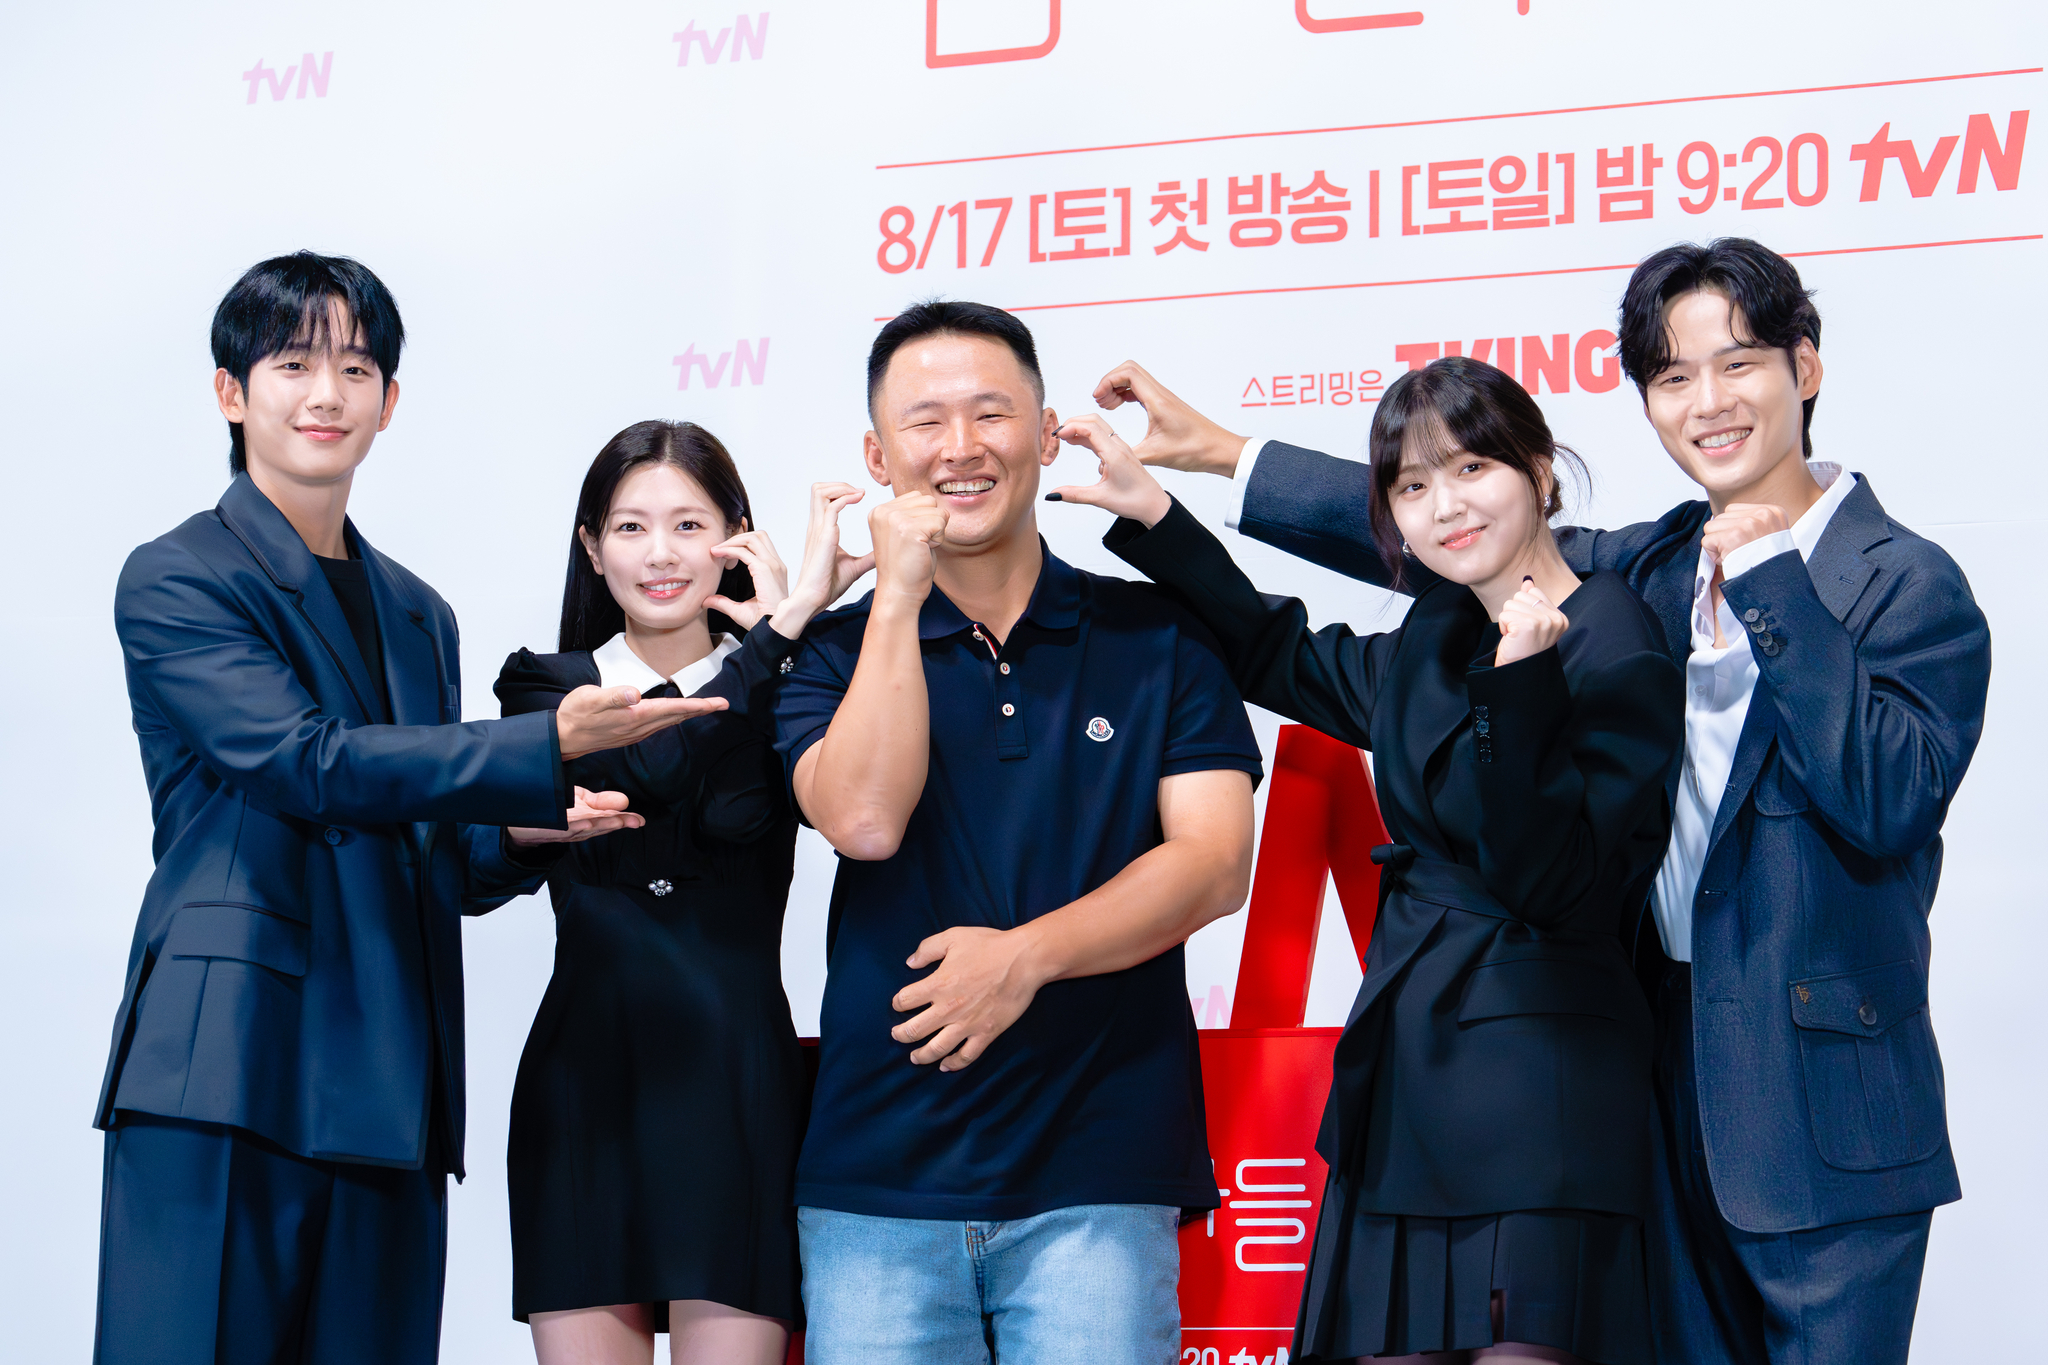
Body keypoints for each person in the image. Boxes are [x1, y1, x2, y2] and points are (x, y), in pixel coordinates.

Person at [1085, 237, 1992, 1365]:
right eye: (1670, 378)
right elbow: (1469, 525)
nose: (1706, 402)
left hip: (1814, 1100)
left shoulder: (1904, 583)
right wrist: (1225, 457)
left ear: (1803, 367)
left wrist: (1773, 587)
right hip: (1650, 1085)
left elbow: (1885, 800)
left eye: (1737, 364)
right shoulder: (1652, 568)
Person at [95, 252, 716, 1365]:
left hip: (391, 1079)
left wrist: (519, 830)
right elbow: (303, 762)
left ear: (390, 403)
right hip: (228, 1071)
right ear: (231, 392)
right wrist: (541, 742)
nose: (326, 393)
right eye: (293, 363)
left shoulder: (416, 612)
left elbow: (428, 847)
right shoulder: (178, 574)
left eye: (356, 367)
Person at [1055, 356, 1684, 1365]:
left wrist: (1515, 694)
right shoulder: (1436, 634)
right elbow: (1276, 653)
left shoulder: (1616, 641)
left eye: (1470, 468)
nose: (1444, 507)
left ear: (1537, 467)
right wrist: (1158, 518)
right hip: (1407, 1080)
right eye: (1409, 486)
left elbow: (1547, 882)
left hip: (1541, 1091)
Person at [772, 300, 1264, 1364]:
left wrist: (1025, 960)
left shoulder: (1155, 636)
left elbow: (1214, 863)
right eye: (925, 422)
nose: (960, 448)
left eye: (991, 414)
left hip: (1099, 1169)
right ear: (876, 453)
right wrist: (896, 599)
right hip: (878, 1181)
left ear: (1043, 436)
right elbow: (860, 818)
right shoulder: (825, 655)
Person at [490, 421, 871, 1365]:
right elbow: (648, 765)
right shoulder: (547, 689)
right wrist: (780, 635)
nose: (660, 555)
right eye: (629, 527)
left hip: (736, 1087)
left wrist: (802, 644)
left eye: (689, 524)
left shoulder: (793, 680)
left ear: (734, 535)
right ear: (591, 546)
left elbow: (865, 807)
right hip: (584, 1087)